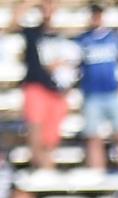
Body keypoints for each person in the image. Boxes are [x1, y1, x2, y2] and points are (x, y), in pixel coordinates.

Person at [14, 0, 77, 171]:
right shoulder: (33, 33)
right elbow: (15, 20)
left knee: (51, 136)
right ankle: (37, 166)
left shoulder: (61, 37)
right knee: (35, 127)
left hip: (56, 91)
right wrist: (32, 2)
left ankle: (47, 170)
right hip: (36, 86)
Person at [76, 2, 118, 171]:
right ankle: (97, 172)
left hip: (111, 92)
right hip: (91, 94)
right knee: (93, 136)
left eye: (98, 15)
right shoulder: (82, 40)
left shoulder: (115, 38)